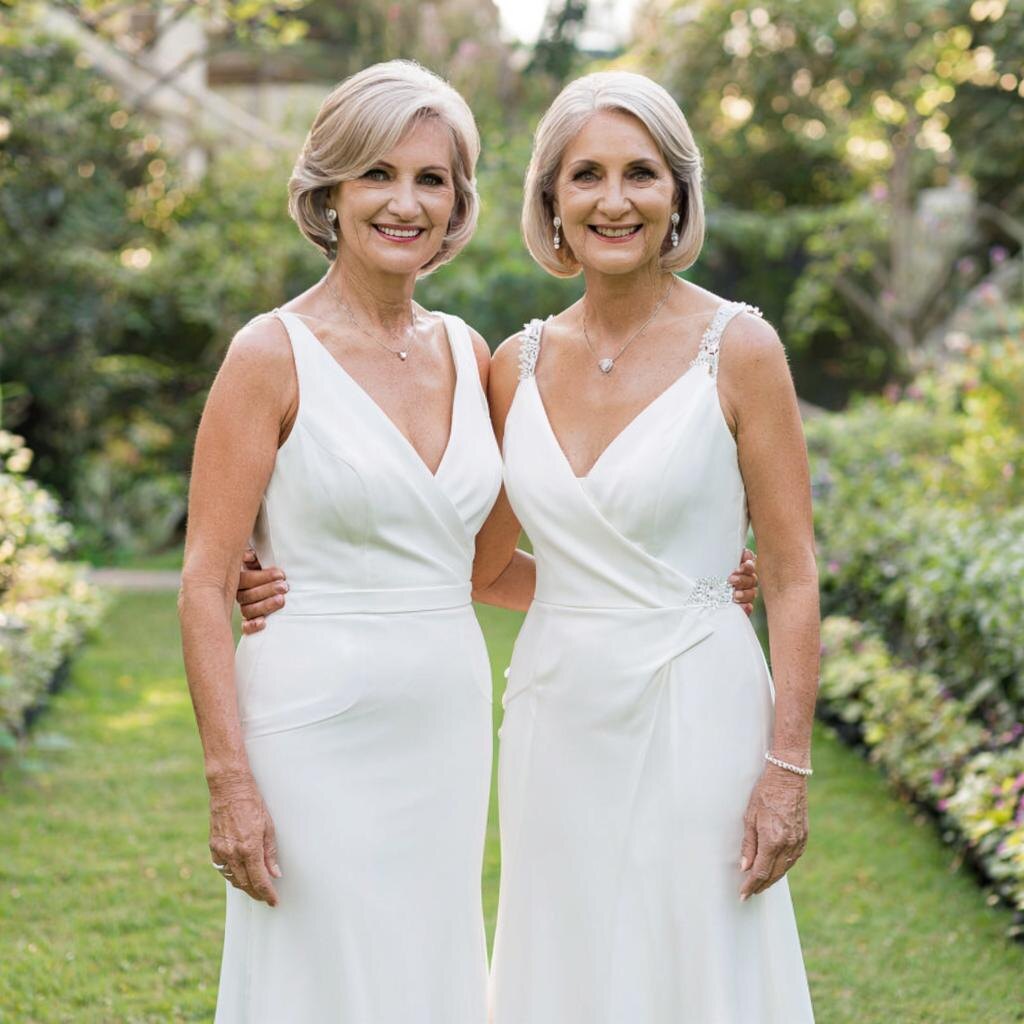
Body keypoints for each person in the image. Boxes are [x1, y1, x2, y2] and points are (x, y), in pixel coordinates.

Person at [472, 71, 819, 1022]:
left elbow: (791, 576)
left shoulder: (741, 349)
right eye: (586, 175)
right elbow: (482, 567)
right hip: (556, 712)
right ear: (551, 199)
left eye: (641, 173)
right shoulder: (512, 366)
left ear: (678, 195)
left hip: (699, 707)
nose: (614, 200)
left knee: (692, 955)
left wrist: (787, 769)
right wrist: (282, 573)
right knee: (566, 953)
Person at [178, 61, 504, 1023]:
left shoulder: (471, 354)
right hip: (311, 722)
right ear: (329, 191)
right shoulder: (268, 354)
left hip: (445, 723)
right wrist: (230, 784)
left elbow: (478, 566)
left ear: (457, 203)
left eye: (431, 179)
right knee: (316, 981)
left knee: (427, 968)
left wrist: (685, 588)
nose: (405, 203)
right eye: (377, 174)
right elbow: (203, 583)